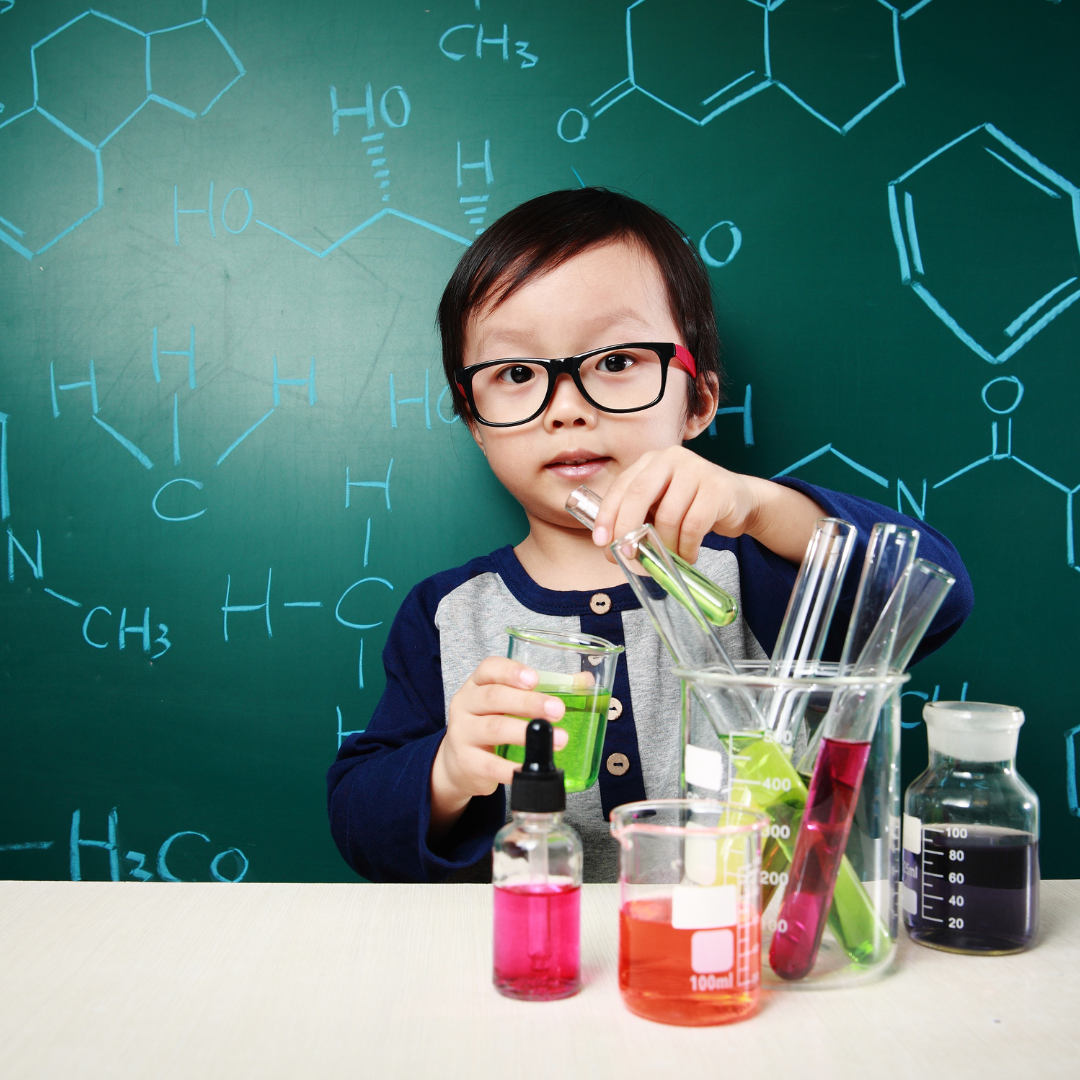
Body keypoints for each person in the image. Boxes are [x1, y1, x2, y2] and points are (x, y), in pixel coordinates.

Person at [327, 188, 972, 883]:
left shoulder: (755, 571)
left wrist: (760, 507)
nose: (567, 408)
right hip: (547, 970)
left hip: (742, 963)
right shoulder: (448, 615)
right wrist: (449, 771)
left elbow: (936, 596)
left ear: (698, 400)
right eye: (517, 373)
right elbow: (360, 824)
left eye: (615, 361)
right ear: (475, 422)